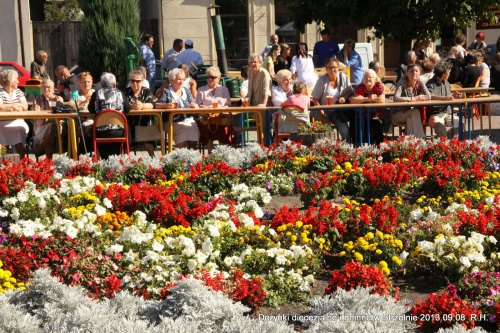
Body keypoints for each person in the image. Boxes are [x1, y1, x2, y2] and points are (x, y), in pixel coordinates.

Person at [88, 73, 131, 160]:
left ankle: (100, 160)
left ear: (101, 84)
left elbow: (91, 109)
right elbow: (128, 108)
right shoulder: (120, 93)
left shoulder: (96, 94)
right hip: (119, 132)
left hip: (101, 132)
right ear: (115, 84)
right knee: (127, 124)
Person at [155, 68, 200, 149]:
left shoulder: (186, 90)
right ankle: (180, 155)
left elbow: (195, 104)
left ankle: (192, 154)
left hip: (188, 120)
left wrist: (194, 105)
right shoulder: (166, 91)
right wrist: (166, 105)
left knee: (193, 128)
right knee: (183, 129)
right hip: (172, 121)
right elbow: (157, 105)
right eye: (179, 79)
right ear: (172, 80)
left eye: (183, 79)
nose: (181, 82)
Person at [311, 57, 354, 142]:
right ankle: (330, 151)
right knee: (328, 133)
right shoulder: (322, 80)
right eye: (329, 67)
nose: (332, 69)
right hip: (323, 111)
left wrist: (344, 98)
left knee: (345, 132)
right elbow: (315, 99)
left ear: (338, 67)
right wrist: (322, 116)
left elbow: (350, 92)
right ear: (326, 69)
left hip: (338, 112)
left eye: (334, 67)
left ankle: (346, 151)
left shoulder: (344, 77)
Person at [196, 66, 232, 154]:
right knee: (205, 124)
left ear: (218, 79)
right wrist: (210, 109)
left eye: (213, 77)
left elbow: (228, 105)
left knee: (223, 125)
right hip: (206, 115)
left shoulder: (224, 89)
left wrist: (220, 108)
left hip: (221, 114)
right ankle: (210, 153)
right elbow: (199, 105)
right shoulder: (201, 90)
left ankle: (223, 154)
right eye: (208, 77)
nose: (210, 79)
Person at [426, 61, 464, 139]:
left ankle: (448, 137)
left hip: (448, 112)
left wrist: (454, 96)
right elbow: (430, 96)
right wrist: (445, 98)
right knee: (440, 127)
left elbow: (448, 97)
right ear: (444, 74)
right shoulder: (430, 84)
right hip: (434, 113)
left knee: (461, 125)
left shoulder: (446, 83)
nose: (450, 74)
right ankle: (444, 144)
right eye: (449, 72)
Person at [393, 64, 429, 139]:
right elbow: (396, 98)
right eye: (411, 71)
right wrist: (414, 99)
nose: (414, 73)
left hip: (409, 113)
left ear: (420, 73)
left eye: (416, 71)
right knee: (415, 112)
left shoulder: (419, 81)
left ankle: (409, 143)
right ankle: (421, 140)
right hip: (397, 113)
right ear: (407, 73)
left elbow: (428, 96)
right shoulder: (402, 82)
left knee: (411, 119)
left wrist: (421, 97)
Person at [350, 69, 387, 144]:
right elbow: (352, 100)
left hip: (376, 116)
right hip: (361, 116)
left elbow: (381, 99)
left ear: (375, 79)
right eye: (365, 77)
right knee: (354, 126)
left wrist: (362, 99)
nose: (367, 79)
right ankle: (357, 149)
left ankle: (375, 151)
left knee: (373, 127)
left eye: (370, 77)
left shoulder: (379, 85)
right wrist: (368, 98)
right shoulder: (360, 87)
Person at [125, 69, 155, 157]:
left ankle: (152, 157)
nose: (135, 83)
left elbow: (152, 104)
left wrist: (142, 105)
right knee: (129, 132)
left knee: (147, 129)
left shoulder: (147, 91)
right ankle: (126, 159)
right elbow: (122, 105)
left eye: (137, 81)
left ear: (142, 82)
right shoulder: (125, 92)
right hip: (130, 122)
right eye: (132, 81)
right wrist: (131, 106)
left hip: (145, 121)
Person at [0, 70, 29, 159]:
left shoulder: (18, 92)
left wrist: (17, 106)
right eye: (16, 79)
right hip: (2, 122)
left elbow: (25, 106)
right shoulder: (0, 92)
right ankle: (3, 162)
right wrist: (14, 105)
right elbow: (0, 107)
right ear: (9, 82)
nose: (18, 81)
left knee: (20, 129)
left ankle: (21, 162)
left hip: (17, 120)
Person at [32, 79, 63, 159]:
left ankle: (41, 147)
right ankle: (49, 162)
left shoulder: (58, 99)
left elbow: (61, 113)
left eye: (48, 87)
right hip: (41, 127)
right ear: (41, 89)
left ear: (53, 89)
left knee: (52, 127)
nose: (46, 89)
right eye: (43, 87)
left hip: (57, 126)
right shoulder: (37, 99)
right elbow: (37, 113)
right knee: (51, 132)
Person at [247, 53, 272, 144]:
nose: (253, 64)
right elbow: (250, 89)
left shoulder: (264, 73)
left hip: (263, 102)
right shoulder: (250, 72)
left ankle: (266, 146)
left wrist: (264, 104)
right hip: (253, 103)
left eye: (255, 62)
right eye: (251, 62)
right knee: (257, 126)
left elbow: (267, 89)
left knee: (264, 127)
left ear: (260, 63)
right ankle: (259, 143)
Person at [68, 71, 95, 154]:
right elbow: (71, 105)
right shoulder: (76, 94)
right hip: (80, 121)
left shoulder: (95, 93)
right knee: (89, 126)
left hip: (95, 120)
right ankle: (87, 153)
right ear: (79, 83)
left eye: (88, 82)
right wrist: (84, 102)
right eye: (84, 82)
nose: (86, 84)